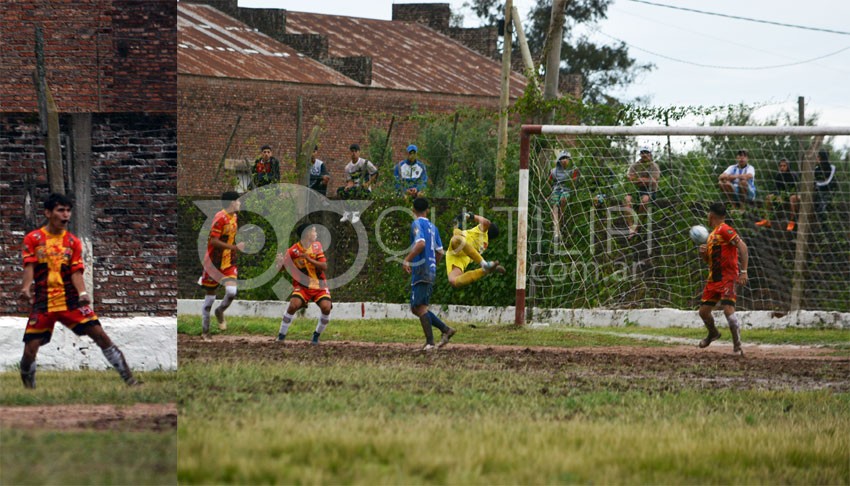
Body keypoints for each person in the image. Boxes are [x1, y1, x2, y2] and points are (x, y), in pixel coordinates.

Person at [19, 193, 139, 388]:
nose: (66, 215)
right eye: (60, 210)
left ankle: (131, 381)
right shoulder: (34, 239)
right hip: (43, 302)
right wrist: (25, 288)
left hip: (71, 301)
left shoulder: (73, 242)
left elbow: (76, 271)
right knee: (30, 350)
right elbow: (29, 266)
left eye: (68, 211)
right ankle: (29, 389)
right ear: (48, 213)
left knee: (100, 335)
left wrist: (83, 293)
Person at [697, 202, 749, 356]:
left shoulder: (725, 229)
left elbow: (743, 247)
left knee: (728, 311)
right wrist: (704, 254)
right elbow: (710, 261)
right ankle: (713, 333)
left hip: (728, 277)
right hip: (714, 279)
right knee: (703, 312)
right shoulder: (712, 235)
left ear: (711, 215)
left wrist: (743, 271)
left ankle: (737, 347)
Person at [403, 198, 455, 351]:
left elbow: (420, 244)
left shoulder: (416, 224)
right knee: (417, 307)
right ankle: (445, 330)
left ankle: (431, 342)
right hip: (430, 268)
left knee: (419, 307)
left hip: (421, 268)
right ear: (427, 209)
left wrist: (407, 260)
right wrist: (433, 264)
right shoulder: (433, 227)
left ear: (413, 210)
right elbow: (439, 252)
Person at [275, 223, 332, 345]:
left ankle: (316, 335)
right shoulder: (293, 251)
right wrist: (279, 264)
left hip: (319, 286)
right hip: (302, 287)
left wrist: (309, 258)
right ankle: (281, 336)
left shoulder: (317, 246)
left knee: (326, 308)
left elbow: (324, 266)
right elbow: (281, 269)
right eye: (313, 231)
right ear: (307, 234)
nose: (316, 233)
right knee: (293, 305)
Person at [198, 191, 245, 340]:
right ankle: (205, 331)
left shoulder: (234, 217)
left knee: (231, 292)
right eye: (238, 200)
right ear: (232, 203)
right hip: (214, 262)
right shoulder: (220, 218)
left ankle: (219, 312)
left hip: (228, 262)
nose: (240, 203)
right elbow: (213, 241)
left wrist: (234, 248)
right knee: (209, 299)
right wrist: (235, 248)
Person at [446, 211, 505, 288]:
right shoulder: (485, 244)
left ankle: (484, 264)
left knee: (456, 239)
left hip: (460, 248)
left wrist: (471, 216)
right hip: (463, 257)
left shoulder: (483, 232)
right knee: (453, 281)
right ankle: (483, 271)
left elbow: (487, 222)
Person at [337, 143, 378, 224]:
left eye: (356, 151)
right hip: (354, 188)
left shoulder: (365, 163)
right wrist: (348, 186)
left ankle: (356, 213)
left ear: (359, 152)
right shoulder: (348, 167)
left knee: (360, 192)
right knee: (341, 190)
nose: (354, 153)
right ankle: (347, 212)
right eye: (352, 151)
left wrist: (368, 183)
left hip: (364, 189)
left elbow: (375, 173)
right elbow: (350, 181)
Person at [756, 158, 799, 231]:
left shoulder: (793, 175)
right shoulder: (778, 175)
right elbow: (776, 188)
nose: (782, 167)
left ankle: (792, 221)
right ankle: (767, 220)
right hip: (782, 195)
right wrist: (778, 196)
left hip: (792, 195)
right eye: (781, 166)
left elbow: (795, 189)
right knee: (768, 197)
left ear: (788, 166)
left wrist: (784, 196)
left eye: (784, 166)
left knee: (792, 198)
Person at [548, 150, 579, 241]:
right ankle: (556, 229)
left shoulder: (572, 170)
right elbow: (548, 181)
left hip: (566, 190)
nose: (565, 160)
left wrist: (574, 188)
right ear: (559, 160)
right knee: (554, 205)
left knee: (563, 200)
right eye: (562, 158)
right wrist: (551, 189)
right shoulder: (554, 171)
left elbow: (574, 181)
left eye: (566, 158)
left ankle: (561, 222)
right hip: (556, 190)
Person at [625, 146, 660, 213]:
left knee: (645, 200)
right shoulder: (634, 165)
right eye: (643, 152)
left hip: (650, 191)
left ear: (650, 154)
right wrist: (644, 180)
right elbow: (630, 178)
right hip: (635, 190)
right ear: (640, 154)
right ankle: (630, 223)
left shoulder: (654, 166)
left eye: (647, 152)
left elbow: (653, 181)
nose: (645, 154)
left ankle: (639, 222)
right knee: (627, 199)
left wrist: (637, 180)